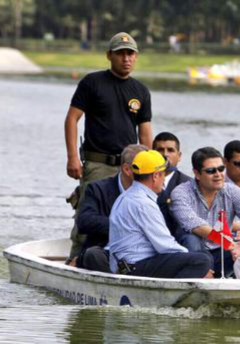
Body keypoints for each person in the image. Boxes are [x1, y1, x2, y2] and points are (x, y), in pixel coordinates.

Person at [64, 32, 154, 259]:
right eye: (121, 53)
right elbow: (72, 119)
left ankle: (122, 263)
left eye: (130, 54)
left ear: (136, 57)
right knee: (88, 218)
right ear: (109, 55)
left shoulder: (141, 91)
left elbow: (144, 132)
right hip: (98, 163)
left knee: (132, 216)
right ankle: (75, 261)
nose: (126, 59)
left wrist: (151, 167)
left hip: (130, 167)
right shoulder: (92, 83)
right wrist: (73, 157)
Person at [107, 150, 212, 278]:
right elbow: (165, 246)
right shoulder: (143, 203)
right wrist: (191, 259)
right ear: (155, 176)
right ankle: (173, 296)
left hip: (126, 265)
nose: (164, 180)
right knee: (202, 261)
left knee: (197, 258)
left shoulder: (126, 196)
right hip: (136, 266)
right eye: (163, 174)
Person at [170, 147, 240, 278]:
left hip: (223, 250)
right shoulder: (181, 193)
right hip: (194, 253)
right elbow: (194, 224)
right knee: (191, 238)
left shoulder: (231, 190)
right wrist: (229, 243)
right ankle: (202, 273)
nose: (218, 174)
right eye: (211, 171)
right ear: (197, 174)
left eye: (221, 169)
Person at [75, 144, 147, 272]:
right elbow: (84, 221)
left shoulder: (156, 190)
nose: (152, 174)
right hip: (105, 252)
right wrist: (123, 227)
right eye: (146, 168)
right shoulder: (98, 189)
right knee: (93, 255)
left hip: (144, 254)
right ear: (127, 169)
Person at [152, 132, 192, 238]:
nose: (165, 154)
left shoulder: (189, 185)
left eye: (170, 150)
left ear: (179, 156)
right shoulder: (141, 181)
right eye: (160, 150)